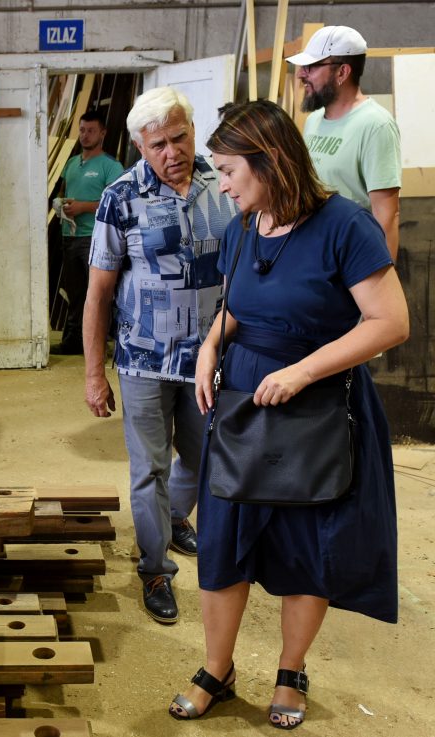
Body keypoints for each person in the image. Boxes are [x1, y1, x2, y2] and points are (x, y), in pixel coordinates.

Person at [167, 100, 408, 729]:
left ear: (269, 161)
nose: (218, 184)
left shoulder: (345, 227)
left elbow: (391, 321)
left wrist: (303, 371)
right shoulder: (244, 227)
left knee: (308, 543)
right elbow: (237, 305)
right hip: (244, 396)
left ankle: (290, 669)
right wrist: (210, 344)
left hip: (318, 402)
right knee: (223, 535)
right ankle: (216, 670)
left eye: (225, 170)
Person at [82, 86, 238, 624]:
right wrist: (93, 374)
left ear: (193, 130)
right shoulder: (120, 197)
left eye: (179, 138)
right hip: (144, 360)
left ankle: (172, 520)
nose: (172, 153)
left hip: (210, 362)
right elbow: (98, 294)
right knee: (148, 468)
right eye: (157, 146)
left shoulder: (226, 185)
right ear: (139, 147)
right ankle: (154, 566)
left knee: (203, 459)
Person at [287, 26, 401, 259]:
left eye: (312, 67)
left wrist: (381, 281)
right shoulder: (314, 121)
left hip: (350, 255)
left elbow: (386, 214)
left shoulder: (375, 125)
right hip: (314, 252)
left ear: (342, 72)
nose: (301, 75)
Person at [52, 110, 124, 355]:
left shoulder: (111, 166)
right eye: (82, 130)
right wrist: (61, 204)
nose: (85, 135)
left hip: (95, 238)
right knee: (75, 293)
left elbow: (117, 202)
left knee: (100, 293)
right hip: (70, 237)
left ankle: (101, 345)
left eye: (91, 130)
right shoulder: (71, 164)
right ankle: (73, 342)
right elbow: (63, 190)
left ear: (102, 133)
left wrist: (83, 206)